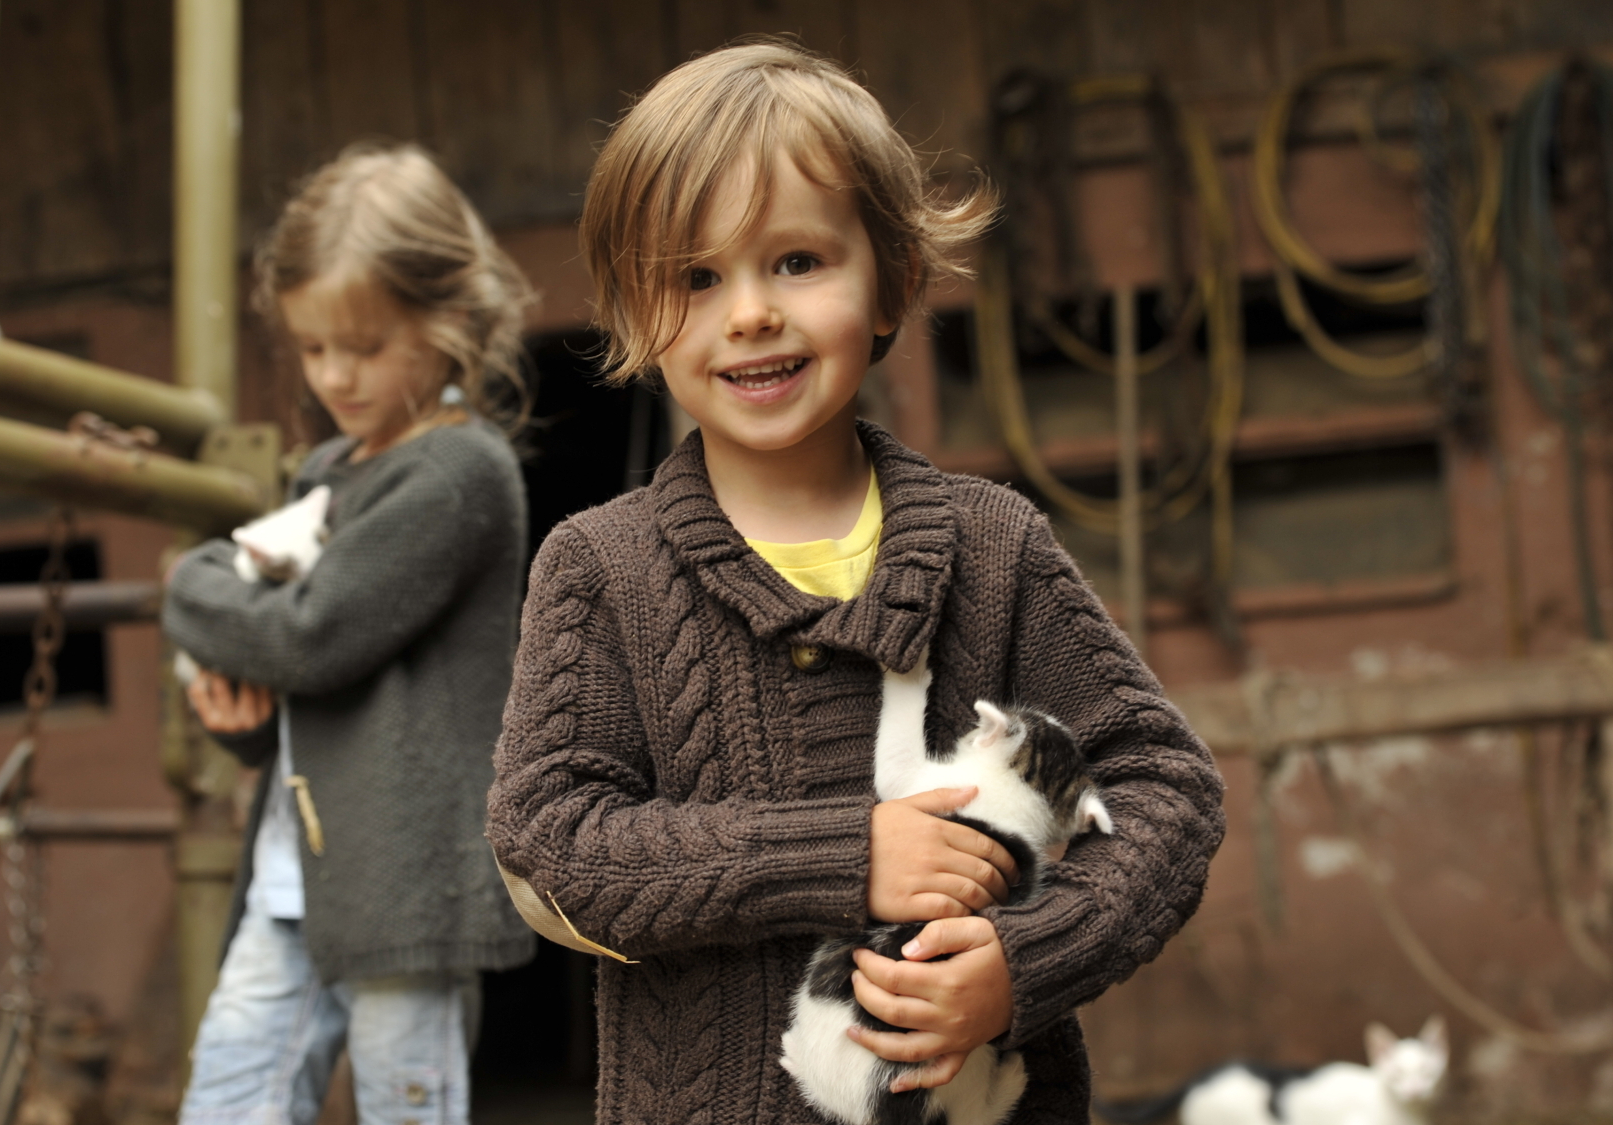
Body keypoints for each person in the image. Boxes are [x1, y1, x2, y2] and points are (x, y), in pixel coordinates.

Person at [487, 39, 1226, 1125]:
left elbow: (1166, 785)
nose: (748, 313)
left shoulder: (993, 546)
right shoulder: (600, 569)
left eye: (795, 261)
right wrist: (845, 854)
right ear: (637, 319)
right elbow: (552, 838)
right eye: (695, 278)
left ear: (892, 281)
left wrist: (1018, 965)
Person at [164, 142, 536, 1125]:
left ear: (449, 320)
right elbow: (316, 691)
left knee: (405, 1109)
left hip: (408, 887)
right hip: (296, 870)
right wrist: (244, 723)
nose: (335, 375)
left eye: (365, 347)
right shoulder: (328, 468)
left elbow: (309, 634)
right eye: (314, 347)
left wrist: (187, 580)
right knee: (225, 1105)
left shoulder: (458, 473)